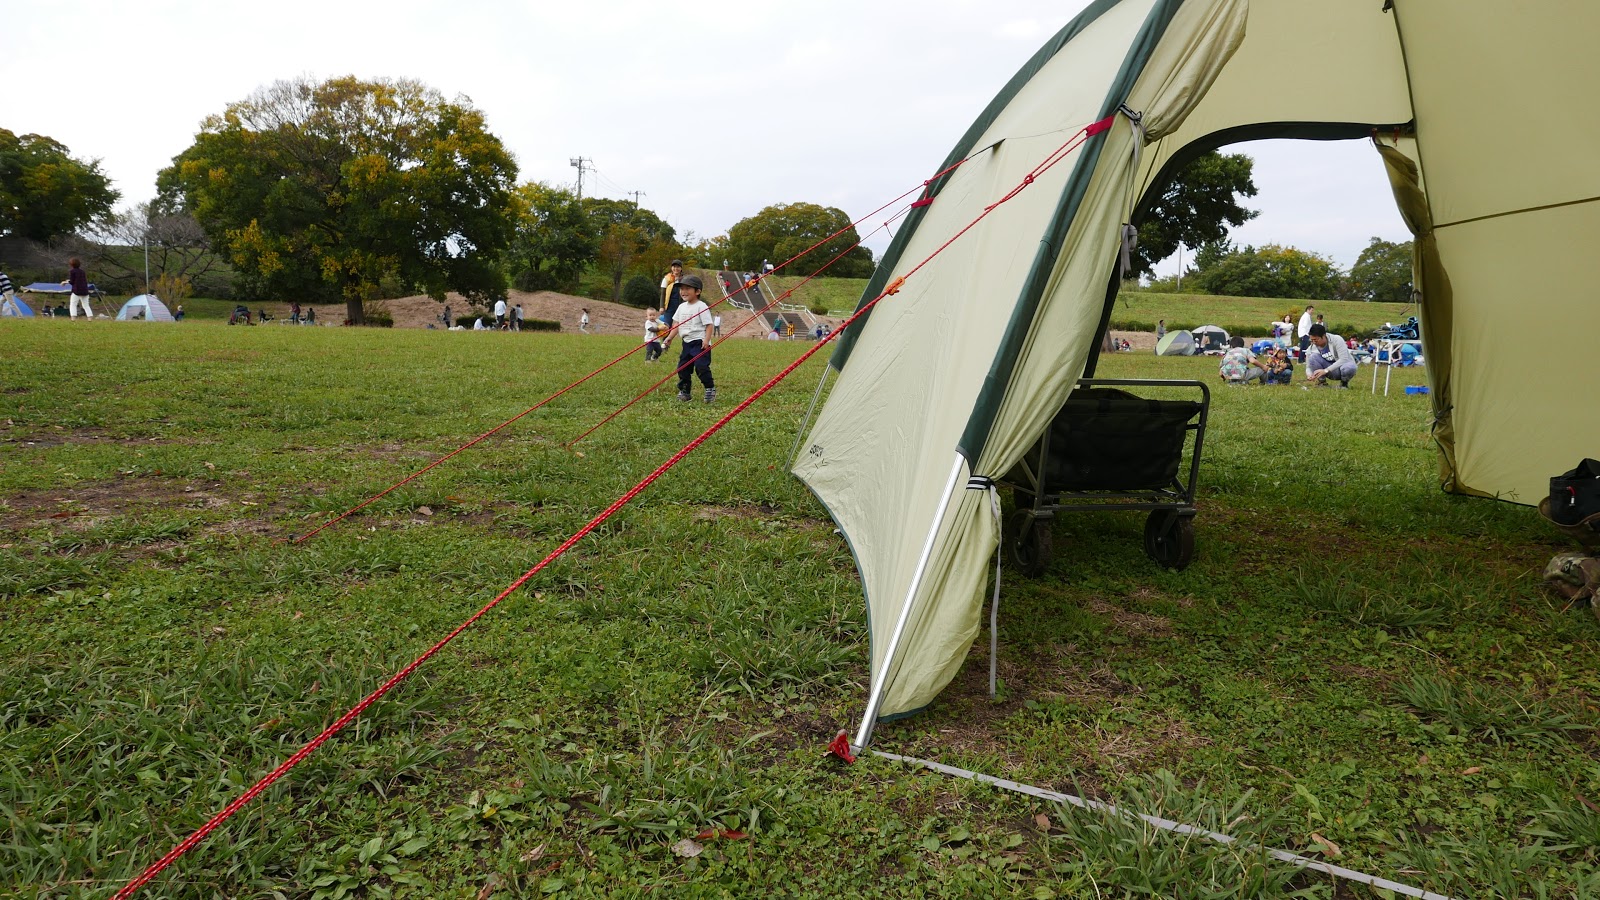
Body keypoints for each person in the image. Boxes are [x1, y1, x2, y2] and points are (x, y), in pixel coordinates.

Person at [670, 275, 715, 402]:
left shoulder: (702, 306)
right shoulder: (681, 307)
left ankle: (709, 388)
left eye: (687, 288)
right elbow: (676, 325)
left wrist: (706, 340)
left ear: (698, 291)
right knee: (683, 368)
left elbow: (709, 325)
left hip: (700, 343)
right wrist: (669, 338)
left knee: (701, 367)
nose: (683, 291)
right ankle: (685, 391)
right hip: (686, 343)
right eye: (681, 289)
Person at [1304, 323, 1358, 387]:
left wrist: (1326, 370)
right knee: (1312, 357)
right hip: (1329, 370)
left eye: (1316, 340)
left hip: (1342, 368)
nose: (1314, 342)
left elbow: (1344, 359)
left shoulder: (1337, 339)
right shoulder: (1312, 347)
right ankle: (1322, 383)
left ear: (1324, 336)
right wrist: (1309, 374)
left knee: (1350, 367)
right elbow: (1308, 366)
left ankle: (1344, 384)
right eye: (1311, 340)